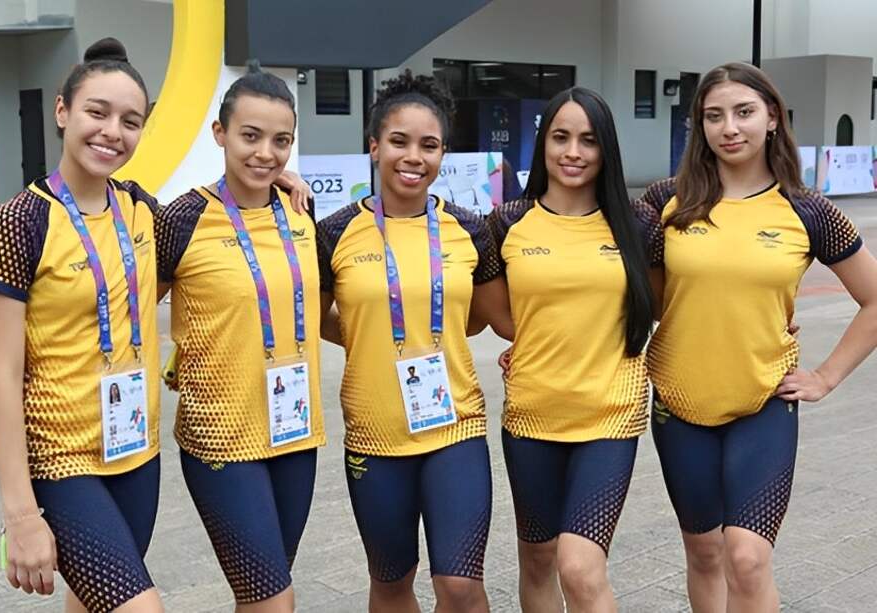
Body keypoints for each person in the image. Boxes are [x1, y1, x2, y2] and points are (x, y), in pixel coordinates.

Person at [639, 62, 877, 612]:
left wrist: (825, 376)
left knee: (746, 557)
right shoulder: (664, 201)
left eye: (744, 112)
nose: (729, 128)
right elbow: (619, 285)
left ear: (772, 117)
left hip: (763, 402)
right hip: (679, 405)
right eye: (713, 116)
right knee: (703, 553)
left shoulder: (808, 208)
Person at [0, 38, 164, 612]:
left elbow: (220, 230)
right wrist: (21, 514)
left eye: (130, 121)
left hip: (136, 455)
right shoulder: (16, 224)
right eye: (97, 112)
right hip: (61, 461)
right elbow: (0, 376)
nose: (112, 132)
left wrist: (282, 187)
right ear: (62, 111)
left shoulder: (142, 211)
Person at [316, 71, 502, 613]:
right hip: (374, 437)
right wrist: (366, 335)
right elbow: (315, 315)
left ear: (444, 152)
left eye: (429, 144)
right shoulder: (334, 231)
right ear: (373, 145)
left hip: (456, 427)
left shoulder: (470, 228)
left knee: (461, 587)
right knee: (392, 584)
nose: (413, 156)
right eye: (399, 141)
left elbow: (490, 317)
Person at [477, 87, 660, 612]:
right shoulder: (507, 221)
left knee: (579, 567)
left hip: (610, 417)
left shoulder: (638, 222)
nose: (573, 152)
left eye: (588, 140)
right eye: (560, 137)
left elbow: (668, 302)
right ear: (544, 145)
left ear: (607, 149)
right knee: (537, 560)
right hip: (531, 417)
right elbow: (498, 315)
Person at [155, 62, 324, 613]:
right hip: (220, 439)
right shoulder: (181, 219)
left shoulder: (301, 210)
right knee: (274, 599)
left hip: (296, 435)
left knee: (261, 593)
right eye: (250, 136)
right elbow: (132, 310)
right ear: (220, 134)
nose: (265, 154)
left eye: (281, 141)